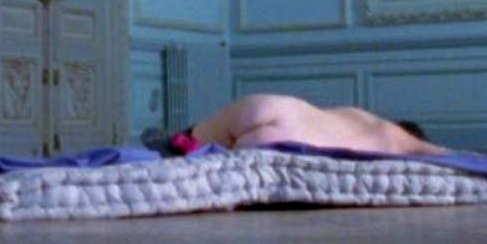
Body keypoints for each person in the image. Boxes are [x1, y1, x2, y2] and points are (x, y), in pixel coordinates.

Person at [141, 93, 447, 156]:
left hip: (274, 107)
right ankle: (175, 145)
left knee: (208, 133)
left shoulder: (362, 117)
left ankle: (177, 141)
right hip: (289, 139)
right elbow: (448, 155)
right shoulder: (395, 141)